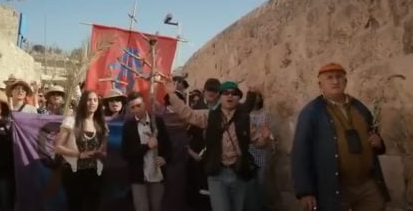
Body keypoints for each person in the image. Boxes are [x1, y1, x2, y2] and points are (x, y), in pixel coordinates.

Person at [291, 63, 390, 211]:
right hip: (335, 187)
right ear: (320, 85)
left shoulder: (360, 107)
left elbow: (374, 138)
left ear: (346, 81)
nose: (335, 81)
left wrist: (379, 143)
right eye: (329, 78)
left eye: (339, 77)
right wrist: (305, 191)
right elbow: (300, 153)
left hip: (367, 184)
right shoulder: (311, 112)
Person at [165, 80, 269, 211]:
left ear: (238, 98)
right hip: (217, 175)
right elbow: (188, 114)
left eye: (234, 93)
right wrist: (171, 94)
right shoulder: (209, 117)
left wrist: (265, 139)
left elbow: (259, 144)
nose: (230, 96)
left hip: (239, 175)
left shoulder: (245, 121)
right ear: (221, 96)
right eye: (226, 93)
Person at [54, 90, 108, 211]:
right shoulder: (71, 121)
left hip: (95, 173)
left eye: (95, 100)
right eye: (89, 100)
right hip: (73, 173)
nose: (92, 103)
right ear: (83, 102)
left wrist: (101, 153)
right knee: (75, 206)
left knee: (93, 206)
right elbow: (58, 147)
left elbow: (103, 148)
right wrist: (79, 154)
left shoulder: (101, 123)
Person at [121, 92, 172, 211]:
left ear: (144, 104)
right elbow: (126, 154)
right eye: (133, 107)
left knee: (157, 207)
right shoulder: (128, 127)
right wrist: (146, 146)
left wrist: (165, 158)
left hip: (157, 174)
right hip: (138, 177)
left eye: (138, 105)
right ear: (129, 109)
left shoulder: (157, 122)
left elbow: (168, 146)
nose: (136, 109)